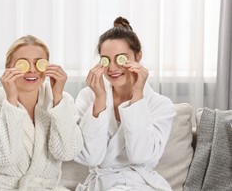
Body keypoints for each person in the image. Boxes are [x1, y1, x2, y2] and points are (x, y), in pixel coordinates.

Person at [74, 17, 176, 191]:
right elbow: (90, 157)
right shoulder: (87, 96)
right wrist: (99, 100)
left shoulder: (161, 105)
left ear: (138, 57)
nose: (112, 68)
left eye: (121, 58)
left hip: (141, 184)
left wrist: (138, 96)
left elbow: (140, 156)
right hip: (100, 184)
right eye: (106, 60)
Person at [0, 35, 83, 191]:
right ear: (8, 68)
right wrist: (11, 102)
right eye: (23, 64)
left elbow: (67, 152)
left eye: (38, 63)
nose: (32, 70)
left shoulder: (61, 100)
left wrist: (58, 98)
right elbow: (4, 158)